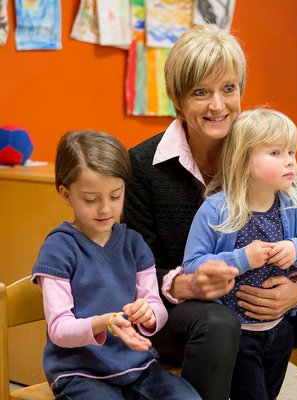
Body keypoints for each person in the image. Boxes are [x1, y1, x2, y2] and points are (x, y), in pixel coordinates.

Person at [123, 24, 297, 400]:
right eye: (200, 92)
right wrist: (185, 284)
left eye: (229, 88)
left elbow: (296, 236)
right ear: (177, 98)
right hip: (180, 314)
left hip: (263, 300)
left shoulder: (265, 152)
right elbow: (137, 267)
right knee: (220, 323)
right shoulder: (141, 165)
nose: (218, 105)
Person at [31, 130, 201, 400]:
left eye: (115, 195)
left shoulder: (134, 244)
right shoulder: (58, 249)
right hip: (79, 372)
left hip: (138, 365)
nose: (105, 209)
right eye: (91, 199)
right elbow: (59, 329)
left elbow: (156, 306)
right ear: (66, 194)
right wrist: (106, 322)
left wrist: (150, 314)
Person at [182, 107, 297, 400]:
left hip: (280, 330)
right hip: (237, 334)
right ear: (244, 160)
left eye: (291, 152)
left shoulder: (292, 205)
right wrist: (241, 258)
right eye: (275, 153)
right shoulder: (216, 209)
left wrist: (295, 249)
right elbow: (193, 266)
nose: (290, 162)